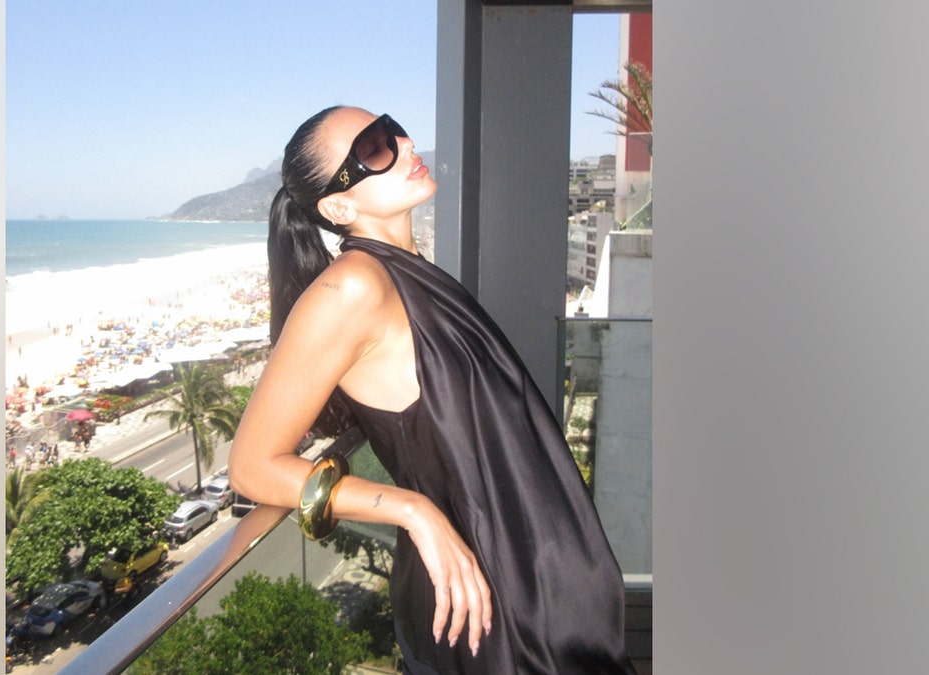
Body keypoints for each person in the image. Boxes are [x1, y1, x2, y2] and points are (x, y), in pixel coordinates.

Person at [228, 106, 635, 674]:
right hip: (482, 596)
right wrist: (412, 510)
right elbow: (250, 466)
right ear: (339, 206)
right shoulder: (351, 288)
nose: (404, 141)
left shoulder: (406, 271)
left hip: (522, 567)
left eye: (392, 127)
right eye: (374, 148)